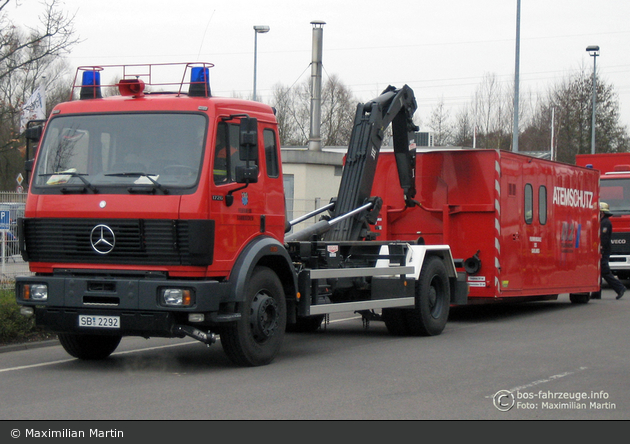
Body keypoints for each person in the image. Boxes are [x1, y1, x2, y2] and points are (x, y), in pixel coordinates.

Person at [595, 202, 626, 300]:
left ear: (602, 212)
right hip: (603, 250)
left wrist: (601, 249)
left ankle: (620, 288)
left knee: (604, 271)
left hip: (604, 250)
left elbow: (603, 238)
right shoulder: (602, 222)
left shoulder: (605, 223)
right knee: (598, 271)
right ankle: (596, 293)